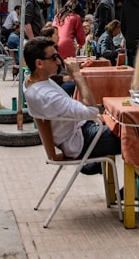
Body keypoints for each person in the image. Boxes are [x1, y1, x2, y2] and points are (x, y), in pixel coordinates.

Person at [22, 37, 121, 173]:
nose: (58, 61)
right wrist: (77, 74)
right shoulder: (47, 96)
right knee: (135, 136)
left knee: (125, 126)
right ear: (39, 63)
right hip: (82, 140)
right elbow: (91, 110)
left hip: (79, 132)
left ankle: (99, 168)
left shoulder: (31, 82)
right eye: (54, 57)